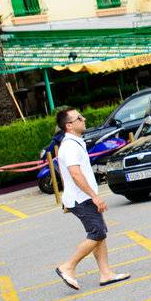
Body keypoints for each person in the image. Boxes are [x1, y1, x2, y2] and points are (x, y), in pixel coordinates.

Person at [53, 107, 130, 290]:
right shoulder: (70, 146)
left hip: (81, 197)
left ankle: (106, 274)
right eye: (79, 118)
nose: (84, 119)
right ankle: (68, 267)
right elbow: (75, 174)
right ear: (69, 125)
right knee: (97, 233)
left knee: (99, 233)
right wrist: (94, 196)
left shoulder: (74, 142)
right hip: (82, 199)